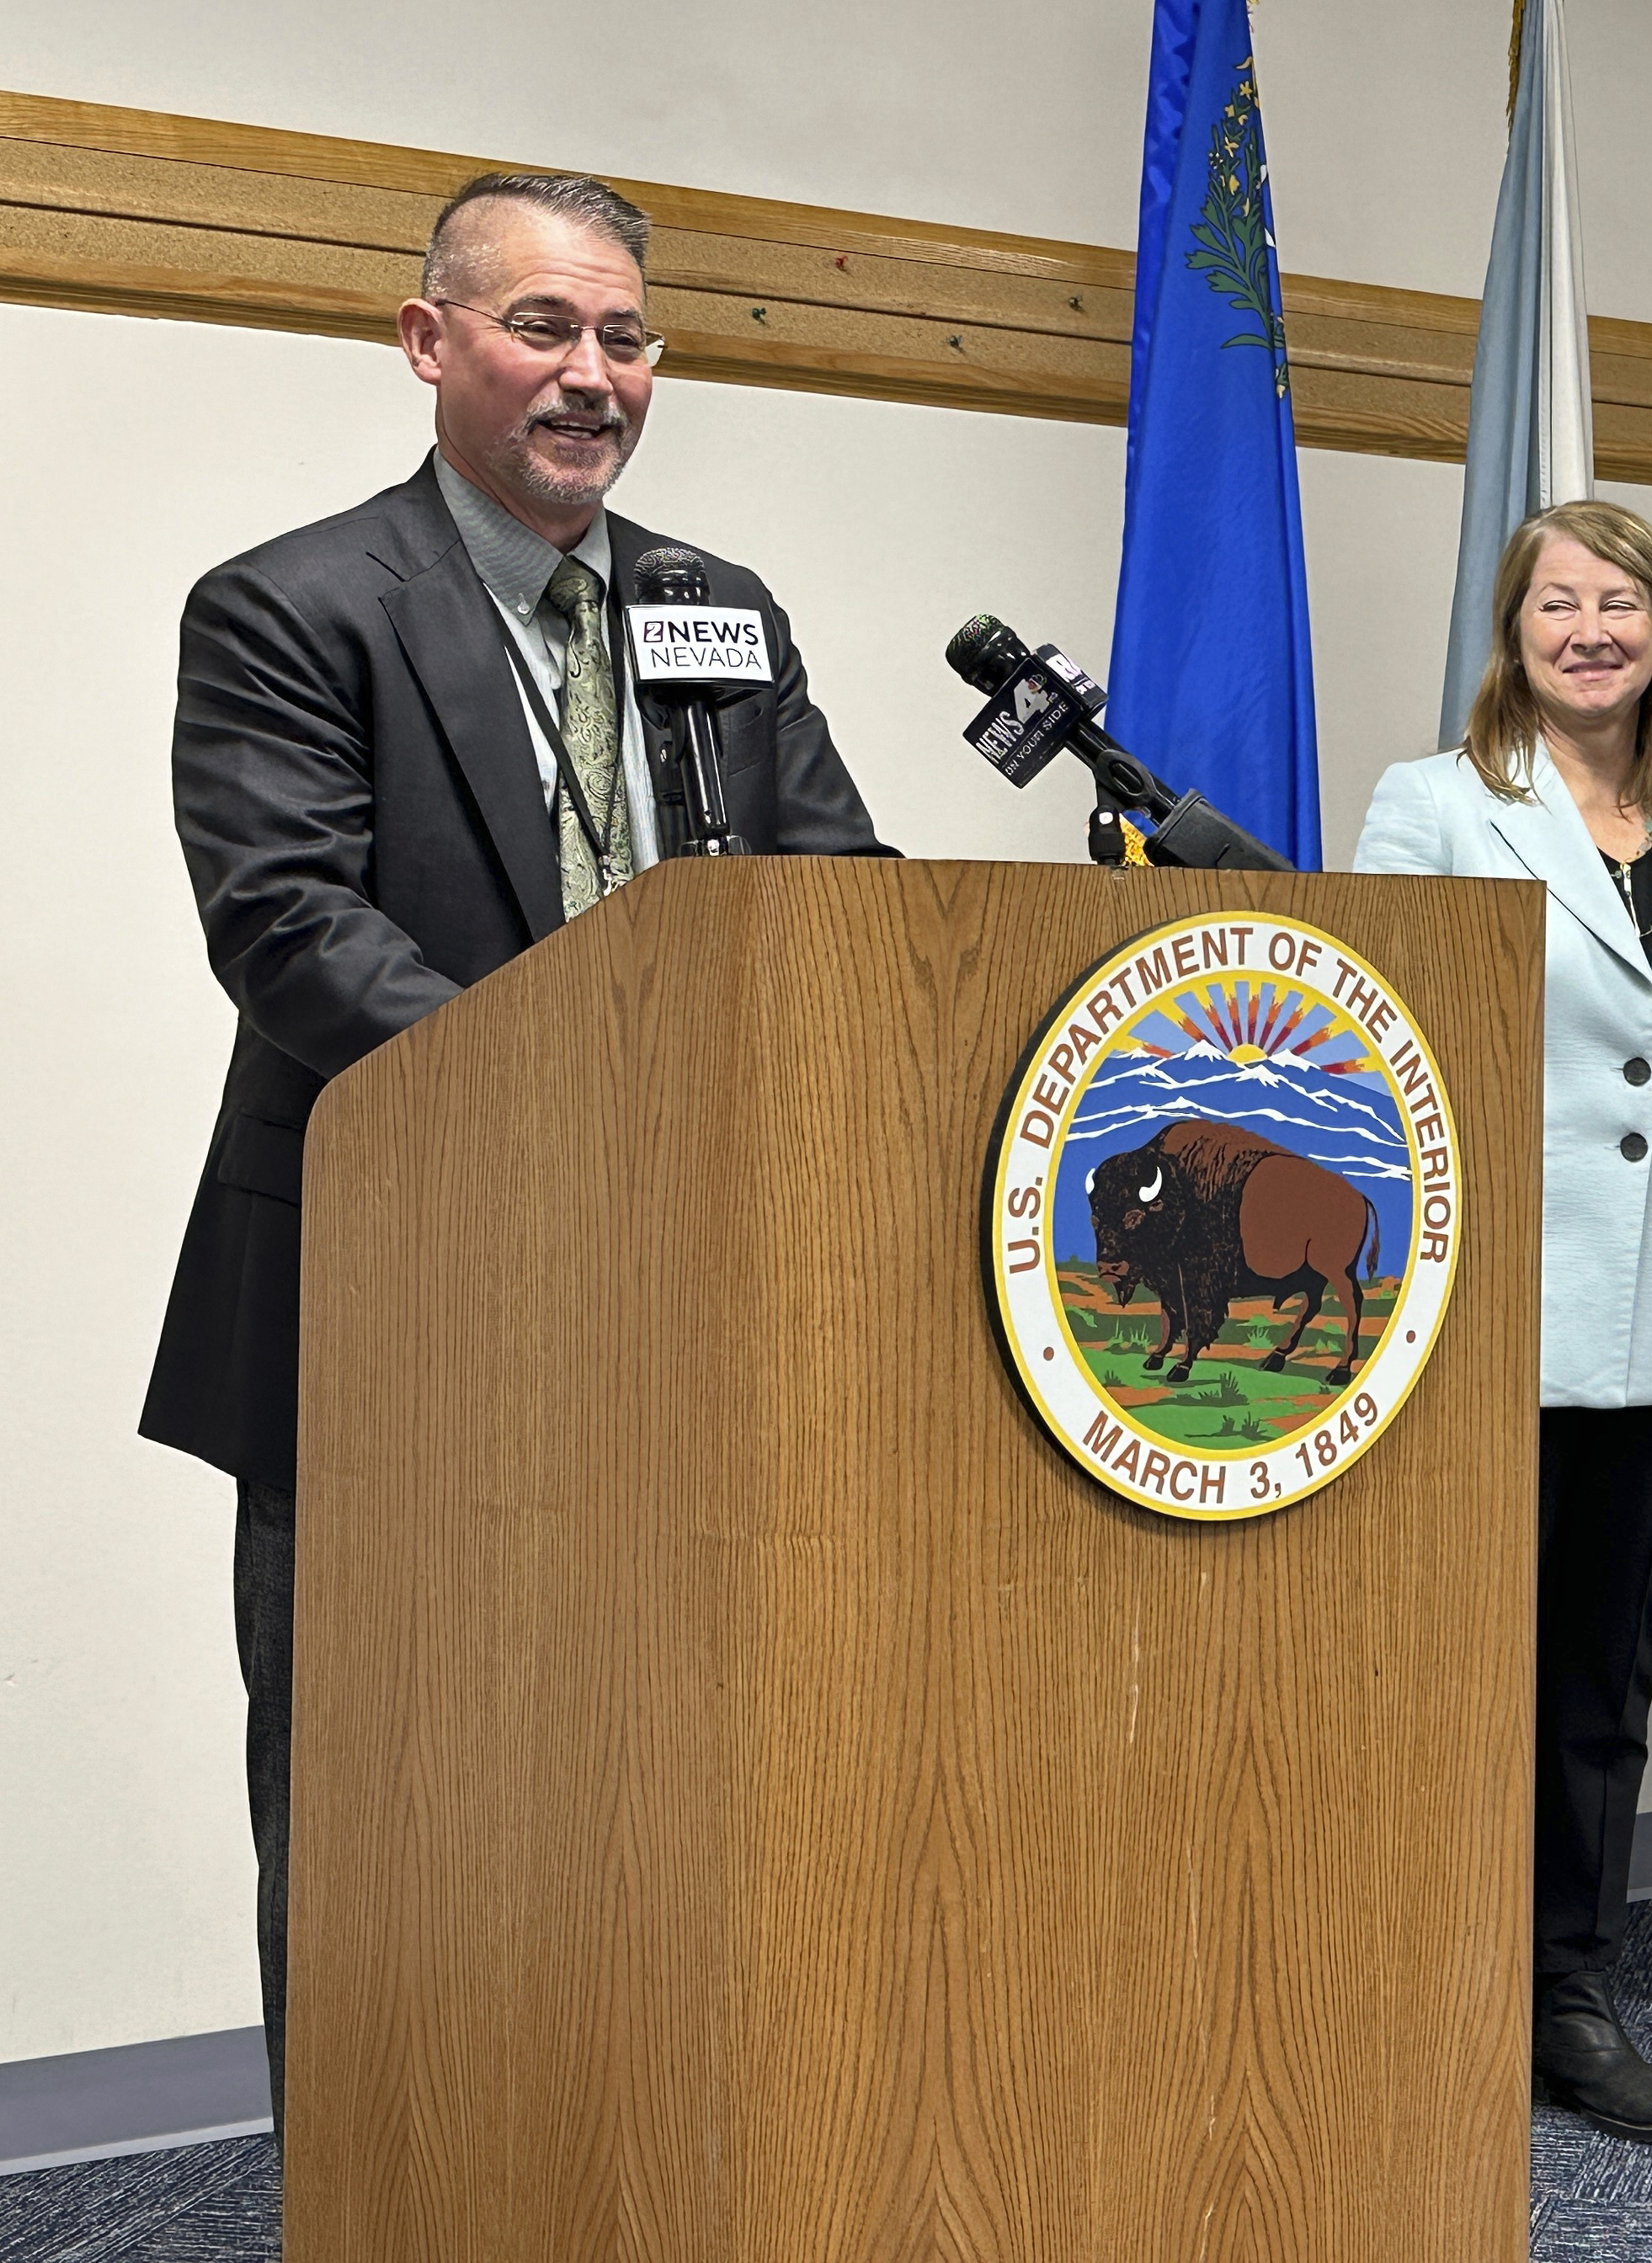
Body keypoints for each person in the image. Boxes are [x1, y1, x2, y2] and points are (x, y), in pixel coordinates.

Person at [138, 173, 893, 2122]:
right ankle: (376, 2200)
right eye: (545, 328)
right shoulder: (295, 608)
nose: (593, 375)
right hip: (392, 1312)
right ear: (429, 341)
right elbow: (294, 929)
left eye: (626, 337)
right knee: (386, 1811)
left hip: (693, 1326)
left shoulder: (718, 607)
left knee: (641, 1791)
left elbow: (839, 907)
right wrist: (595, 1121)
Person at [1354, 498, 1652, 2143]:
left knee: (1602, 1679)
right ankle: (1420, 1978)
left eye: (1621, 603)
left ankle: (1561, 1986)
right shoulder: (1435, 807)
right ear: (1514, 628)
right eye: (1559, 602)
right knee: (1453, 1664)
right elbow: (1365, 1059)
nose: (1590, 629)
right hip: (1479, 1313)